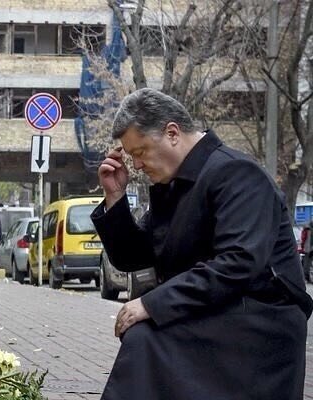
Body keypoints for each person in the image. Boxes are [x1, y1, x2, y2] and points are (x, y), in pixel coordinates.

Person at [90, 88, 313, 400]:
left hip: (260, 320)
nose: (136, 166)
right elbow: (134, 257)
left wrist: (151, 305)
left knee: (144, 340)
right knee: (142, 339)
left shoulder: (236, 172)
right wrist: (115, 199)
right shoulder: (177, 185)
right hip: (219, 312)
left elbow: (239, 263)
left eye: (139, 152)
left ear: (172, 133)